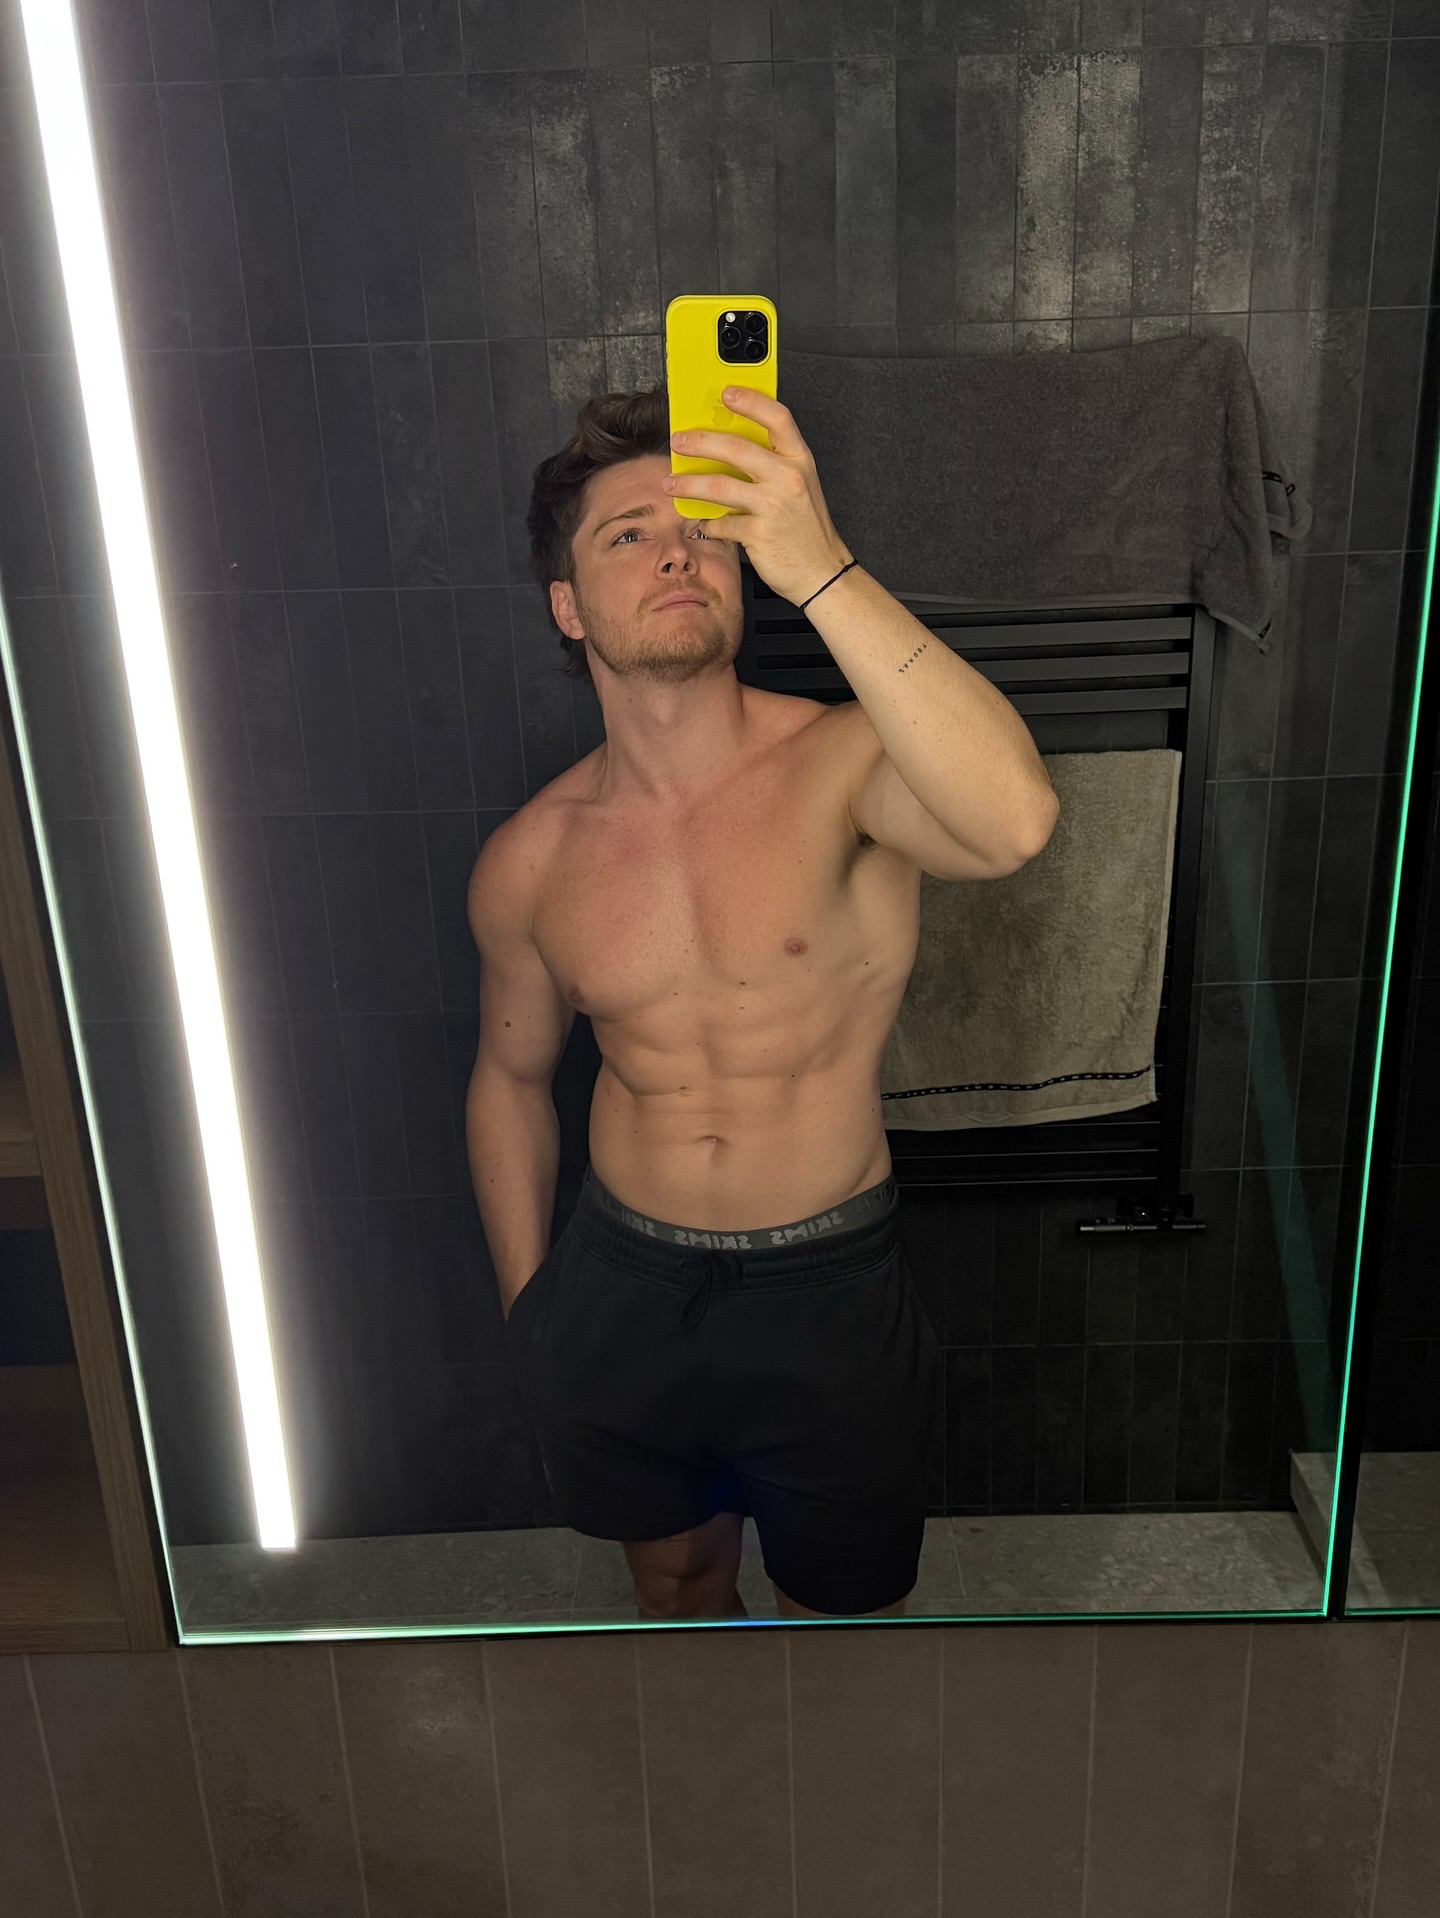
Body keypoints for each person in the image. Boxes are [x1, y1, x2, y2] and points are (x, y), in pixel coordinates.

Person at [466, 381, 1058, 1621]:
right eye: (629, 533)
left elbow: (1013, 822)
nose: (678, 552)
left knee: (842, 1615)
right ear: (567, 605)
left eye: (708, 531)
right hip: (623, 1284)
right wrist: (533, 1312)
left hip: (826, 1284)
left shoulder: (846, 762)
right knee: (675, 1583)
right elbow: (511, 1079)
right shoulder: (531, 858)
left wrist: (820, 562)